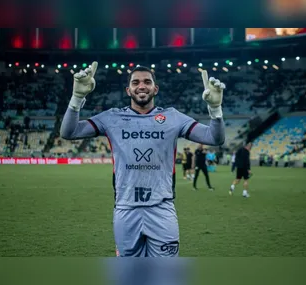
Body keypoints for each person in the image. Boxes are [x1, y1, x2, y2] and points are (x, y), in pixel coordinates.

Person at [60, 62, 225, 257]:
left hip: (162, 209)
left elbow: (215, 138)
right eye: (135, 82)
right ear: (128, 90)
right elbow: (68, 132)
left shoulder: (173, 117)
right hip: (125, 209)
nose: (141, 86)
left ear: (155, 88)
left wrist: (215, 109)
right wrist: (77, 98)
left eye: (147, 82)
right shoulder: (112, 118)